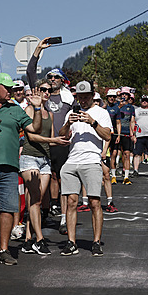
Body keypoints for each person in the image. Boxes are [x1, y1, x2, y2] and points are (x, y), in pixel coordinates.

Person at [0, 73, 43, 266]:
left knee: (7, 210)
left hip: (9, 168)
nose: (11, 91)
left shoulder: (14, 109)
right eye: (7, 88)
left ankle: (3, 249)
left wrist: (37, 108)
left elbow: (34, 129)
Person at [58, 81, 112, 256]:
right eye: (80, 98)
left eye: (86, 97)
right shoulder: (71, 113)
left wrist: (92, 122)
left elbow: (107, 135)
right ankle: (71, 242)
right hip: (72, 160)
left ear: (93, 95)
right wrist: (67, 124)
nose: (83, 100)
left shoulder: (101, 113)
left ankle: (96, 242)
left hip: (91, 161)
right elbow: (62, 136)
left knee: (95, 202)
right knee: (71, 202)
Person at [26, 38, 72, 235]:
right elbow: (30, 72)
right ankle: (44, 212)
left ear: (62, 81)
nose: (52, 80)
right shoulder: (40, 93)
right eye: (49, 77)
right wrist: (38, 50)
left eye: (56, 77)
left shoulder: (69, 97)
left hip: (61, 143)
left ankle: (63, 217)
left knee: (61, 179)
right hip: (42, 144)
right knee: (42, 182)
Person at [19, 80, 69, 255]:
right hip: (29, 157)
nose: (47, 93)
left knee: (36, 200)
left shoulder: (51, 114)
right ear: (36, 91)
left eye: (50, 90)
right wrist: (53, 141)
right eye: (44, 90)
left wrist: (67, 132)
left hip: (45, 159)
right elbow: (32, 137)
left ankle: (27, 240)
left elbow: (54, 138)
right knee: (36, 199)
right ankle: (39, 240)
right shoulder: (30, 110)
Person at [116, 87, 136, 185]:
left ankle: (126, 176)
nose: (124, 96)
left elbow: (132, 121)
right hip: (116, 133)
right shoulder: (116, 105)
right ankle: (113, 175)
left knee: (127, 154)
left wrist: (133, 134)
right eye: (122, 94)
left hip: (127, 133)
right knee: (115, 153)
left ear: (129, 96)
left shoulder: (131, 107)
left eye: (126, 94)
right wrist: (119, 106)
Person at [105, 89, 121, 185]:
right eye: (110, 96)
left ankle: (113, 176)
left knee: (113, 154)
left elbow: (118, 123)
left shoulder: (116, 109)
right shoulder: (103, 108)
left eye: (113, 97)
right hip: (105, 134)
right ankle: (105, 174)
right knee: (105, 155)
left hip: (114, 134)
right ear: (107, 97)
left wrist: (118, 135)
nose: (112, 98)